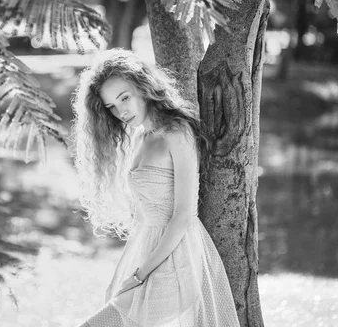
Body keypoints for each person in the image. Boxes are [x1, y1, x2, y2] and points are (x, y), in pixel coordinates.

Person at [71, 49, 240, 327]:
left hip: (176, 260)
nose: (121, 110)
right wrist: (129, 270)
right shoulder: (139, 138)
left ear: (143, 87)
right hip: (144, 251)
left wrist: (140, 275)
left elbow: (184, 215)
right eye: (112, 106)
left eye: (124, 97)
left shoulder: (178, 132)